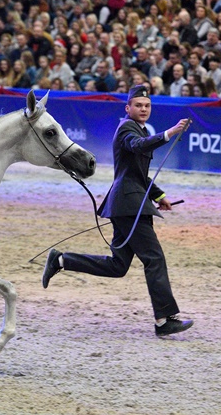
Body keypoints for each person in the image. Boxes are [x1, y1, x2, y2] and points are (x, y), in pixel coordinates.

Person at [41, 84, 194, 337]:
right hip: (129, 206)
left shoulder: (137, 129)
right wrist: (168, 133)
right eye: (138, 106)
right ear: (128, 108)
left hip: (126, 204)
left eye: (147, 106)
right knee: (153, 258)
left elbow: (136, 174)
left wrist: (160, 195)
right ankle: (164, 319)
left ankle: (60, 260)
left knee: (117, 266)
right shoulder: (127, 128)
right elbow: (138, 146)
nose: (143, 109)